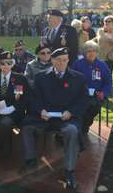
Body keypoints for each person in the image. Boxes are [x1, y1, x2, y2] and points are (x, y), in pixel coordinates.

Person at [21, 48, 88, 190]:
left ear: (68, 59)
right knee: (27, 127)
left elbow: (83, 101)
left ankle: (69, 170)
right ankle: (30, 160)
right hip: (45, 116)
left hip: (66, 117)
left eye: (65, 60)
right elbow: (34, 98)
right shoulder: (41, 77)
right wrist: (40, 110)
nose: (62, 63)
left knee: (72, 131)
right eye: (58, 60)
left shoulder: (78, 78)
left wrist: (71, 112)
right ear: (52, 60)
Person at [0, 51, 30, 167]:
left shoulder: (20, 79)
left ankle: (5, 151)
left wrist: (13, 108)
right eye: (3, 63)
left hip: (12, 112)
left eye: (9, 63)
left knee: (5, 123)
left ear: (12, 64)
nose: (5, 66)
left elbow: (26, 98)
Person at [72, 41, 112, 134]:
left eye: (94, 51)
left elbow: (108, 82)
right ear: (84, 52)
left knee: (94, 106)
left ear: (97, 52)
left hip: (96, 95)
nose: (92, 53)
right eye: (89, 51)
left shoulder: (102, 65)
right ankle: (80, 126)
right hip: (80, 94)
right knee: (81, 106)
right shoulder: (78, 64)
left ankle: (84, 126)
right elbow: (72, 79)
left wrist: (103, 92)